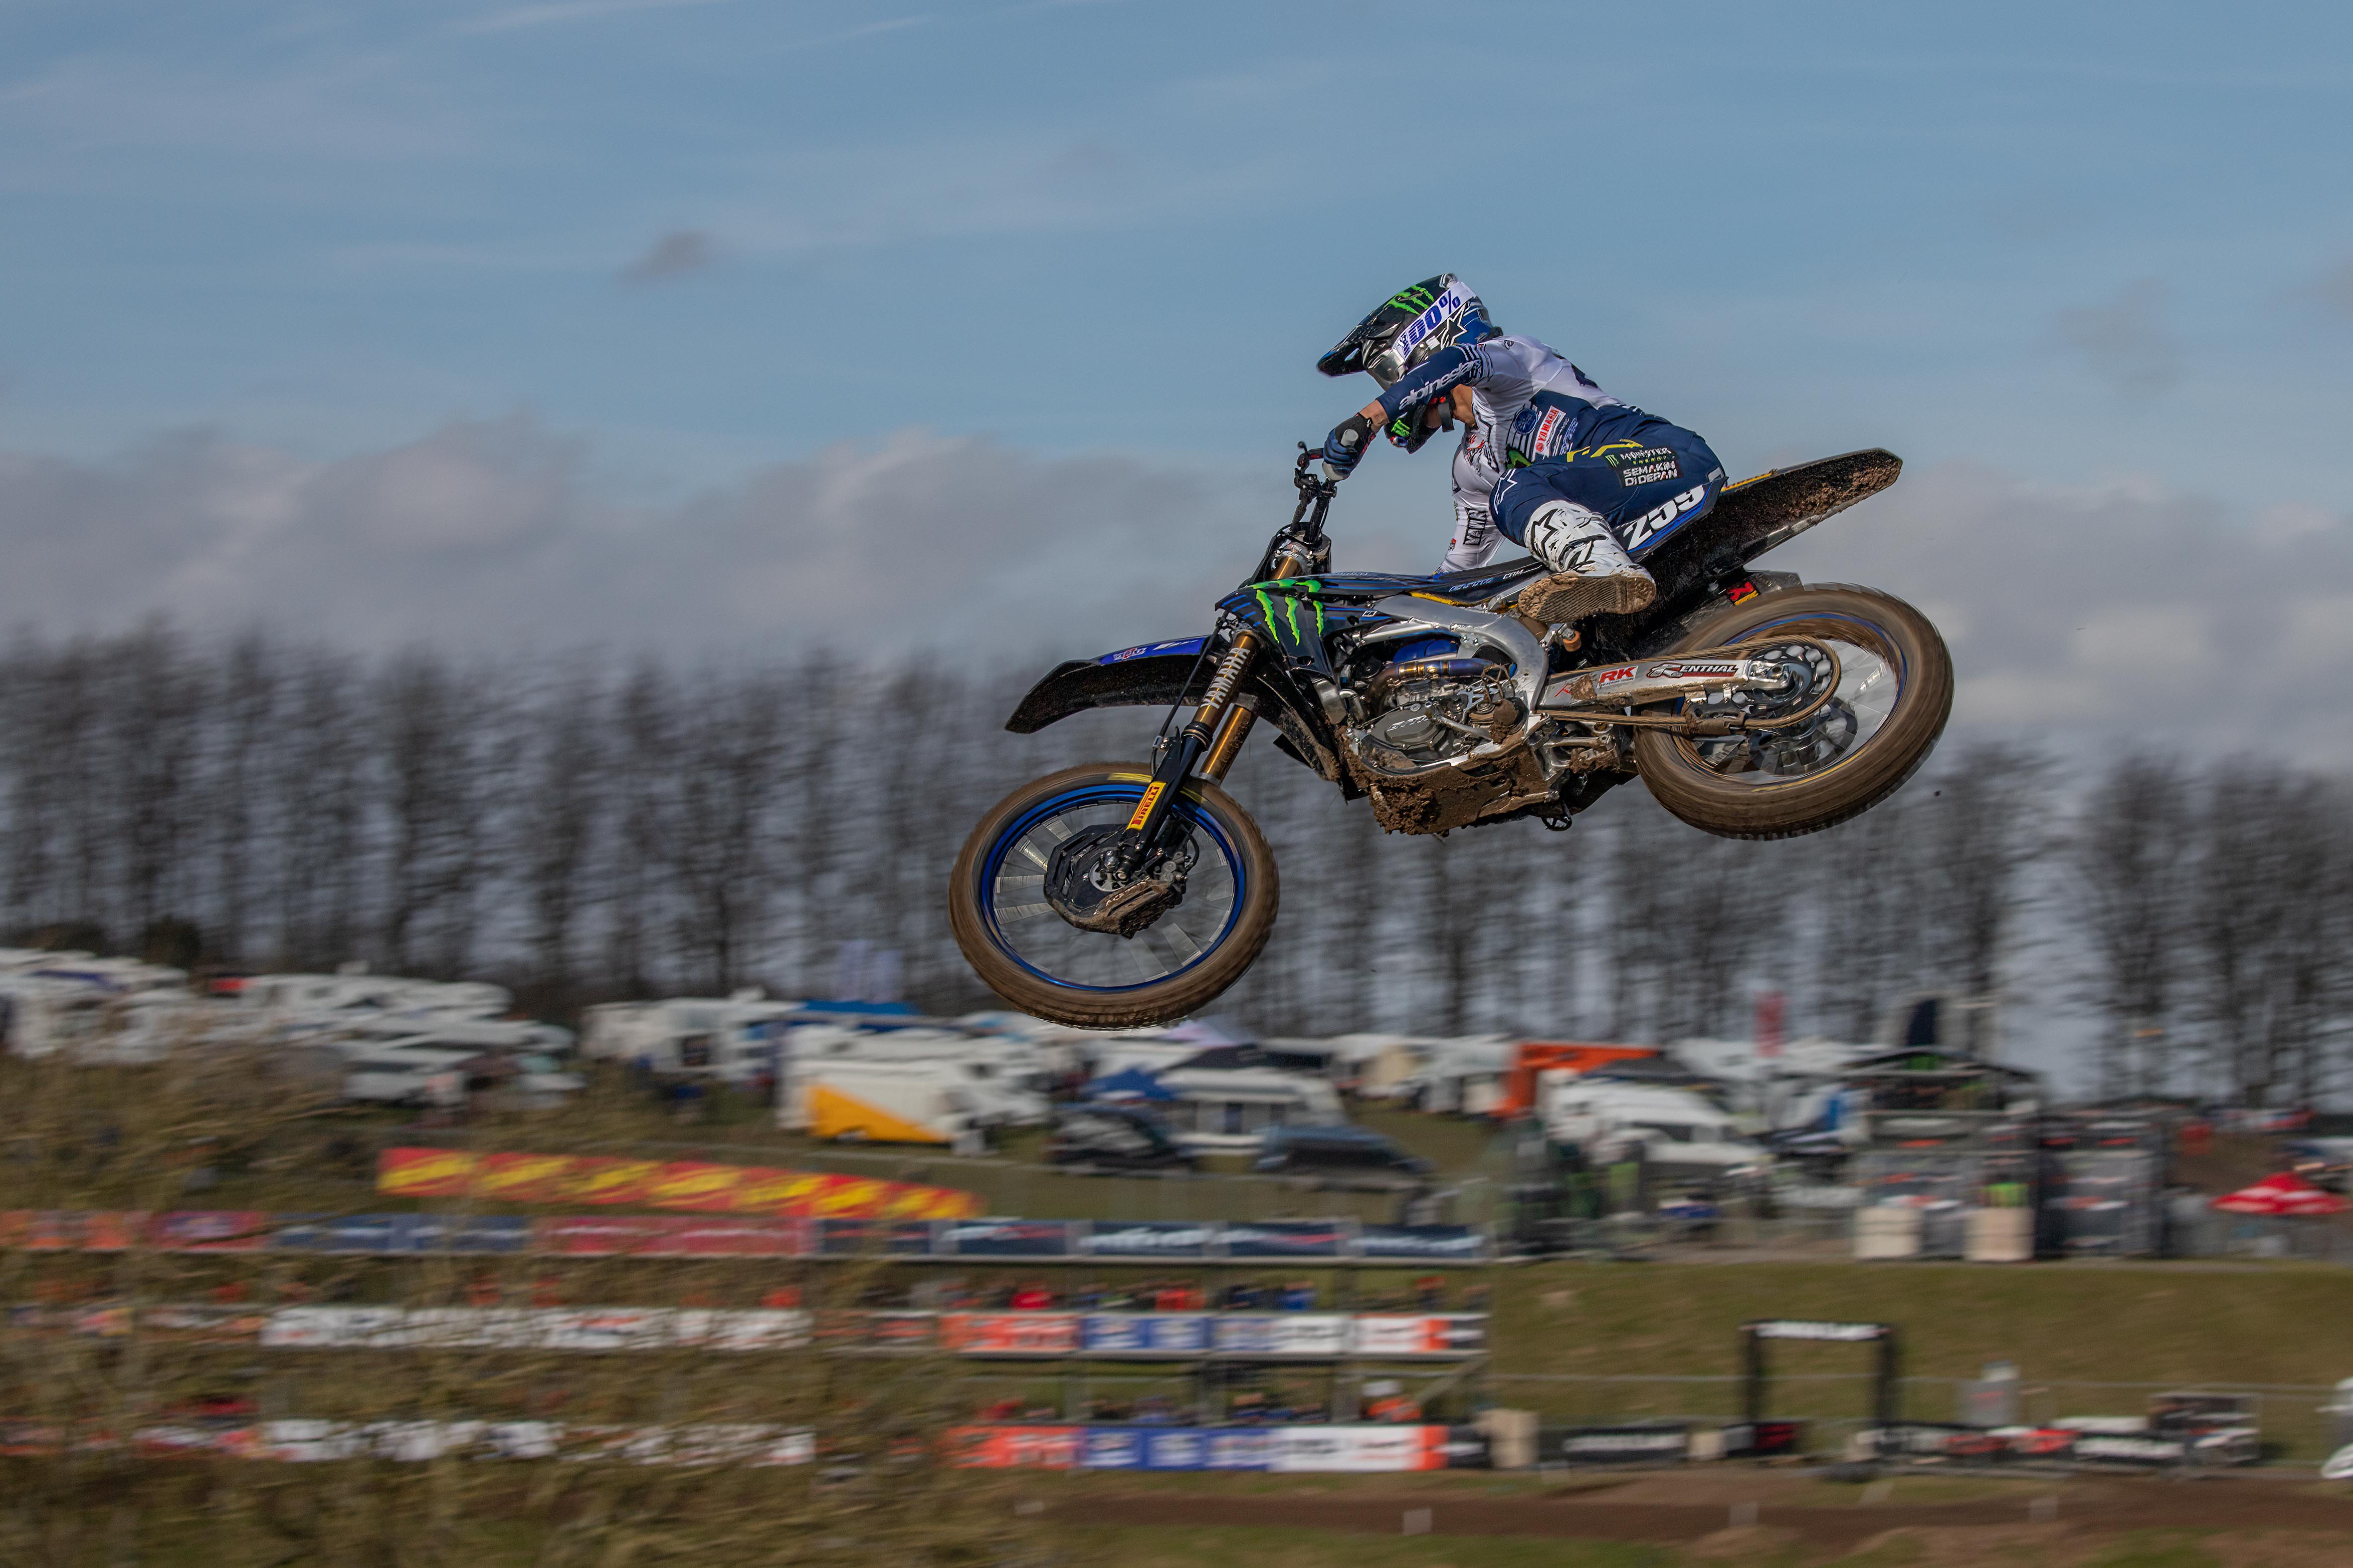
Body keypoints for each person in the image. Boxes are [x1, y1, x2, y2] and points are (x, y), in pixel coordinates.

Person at [1317, 274, 1727, 627]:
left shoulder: (1515, 359)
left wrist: (1369, 418)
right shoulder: (1472, 466)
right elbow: (1458, 578)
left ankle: (1603, 569)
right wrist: (1389, 622)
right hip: (1627, 514)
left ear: (1427, 342)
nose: (1390, 388)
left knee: (1514, 487)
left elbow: (1459, 361)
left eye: (1387, 374)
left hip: (1669, 458)